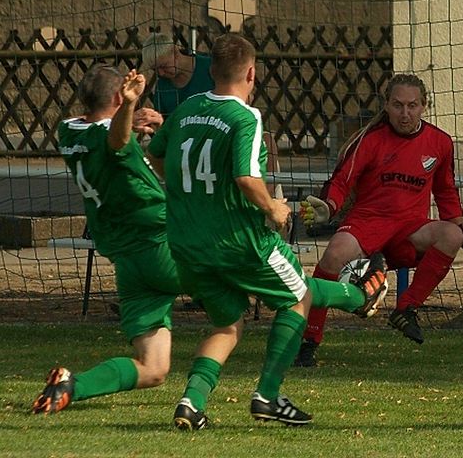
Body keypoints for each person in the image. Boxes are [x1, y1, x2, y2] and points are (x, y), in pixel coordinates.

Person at [146, 33, 389, 430]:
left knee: (227, 325)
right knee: (299, 297)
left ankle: (190, 402)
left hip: (187, 244)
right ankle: (270, 394)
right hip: (240, 241)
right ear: (252, 73)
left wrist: (190, 191)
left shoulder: (188, 108)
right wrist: (273, 206)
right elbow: (245, 176)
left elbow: (156, 154)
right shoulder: (246, 117)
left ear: (212, 71)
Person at [295, 73, 463, 367]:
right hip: (368, 222)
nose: (405, 113)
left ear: (425, 106)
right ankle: (308, 342)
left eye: (412, 106)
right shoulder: (369, 140)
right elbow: (341, 181)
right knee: (333, 256)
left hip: (409, 230)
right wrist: (329, 205)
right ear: (386, 105)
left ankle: (406, 309)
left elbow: (446, 193)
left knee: (450, 235)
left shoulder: (440, 142)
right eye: (398, 105)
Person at [32, 66, 183, 414]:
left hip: (128, 260)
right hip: (159, 246)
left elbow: (102, 127)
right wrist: (129, 111)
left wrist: (127, 115)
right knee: (235, 272)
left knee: (154, 368)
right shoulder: (115, 138)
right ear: (119, 97)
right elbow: (114, 141)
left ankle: (70, 386)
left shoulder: (69, 131)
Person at [136, 31, 281, 197]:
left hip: (221, 133)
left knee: (267, 141)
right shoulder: (163, 87)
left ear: (175, 52)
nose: (161, 73)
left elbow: (241, 99)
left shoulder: (209, 67)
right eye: (156, 69)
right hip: (188, 142)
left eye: (163, 66)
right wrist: (159, 124)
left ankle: (268, 200)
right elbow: (166, 131)